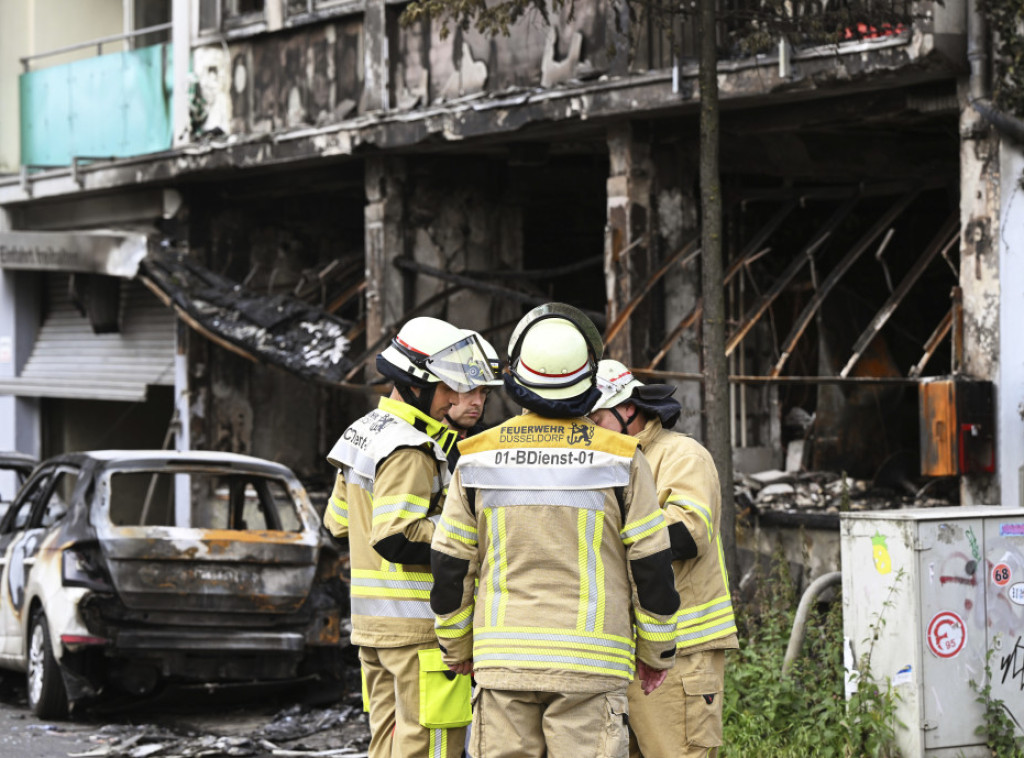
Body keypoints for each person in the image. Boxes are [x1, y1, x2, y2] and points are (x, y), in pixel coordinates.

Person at [429, 303, 681, 758]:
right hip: (590, 664)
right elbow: (652, 565)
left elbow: (450, 567)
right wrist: (656, 653)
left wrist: (455, 647)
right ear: (589, 386)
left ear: (516, 382)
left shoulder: (475, 457)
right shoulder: (622, 458)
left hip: (503, 663)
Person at [323, 316, 498, 758]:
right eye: (451, 389)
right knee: (430, 747)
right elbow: (396, 537)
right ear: (417, 384)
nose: (465, 401)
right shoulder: (411, 449)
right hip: (420, 632)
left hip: (373, 631)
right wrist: (471, 529)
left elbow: (338, 524)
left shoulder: (365, 433)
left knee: (389, 743)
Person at [589, 359, 738, 758]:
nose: (587, 429)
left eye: (596, 417)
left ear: (629, 410)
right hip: (620, 650)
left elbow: (690, 533)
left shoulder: (681, 455)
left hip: (680, 652)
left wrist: (609, 539)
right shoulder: (603, 464)